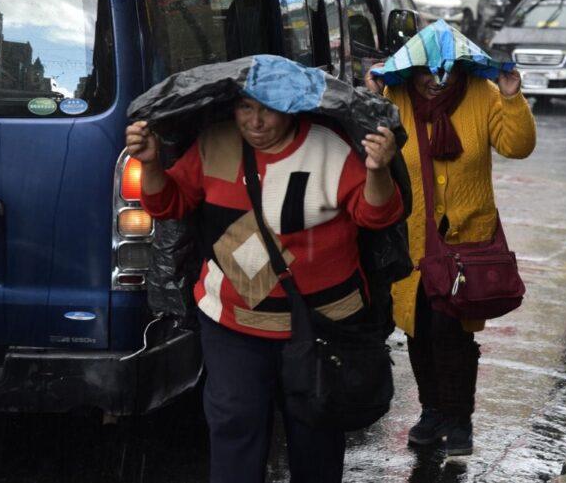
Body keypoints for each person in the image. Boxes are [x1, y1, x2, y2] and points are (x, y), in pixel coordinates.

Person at [125, 95, 403, 483]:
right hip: (232, 323)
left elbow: (377, 215)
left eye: (267, 109)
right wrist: (151, 163)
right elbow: (169, 203)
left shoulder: (331, 147)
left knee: (317, 431)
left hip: (323, 325)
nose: (254, 122)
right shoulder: (214, 143)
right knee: (235, 426)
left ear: (293, 107)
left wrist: (377, 171)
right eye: (244, 108)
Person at [365, 61, 536, 455]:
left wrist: (511, 97)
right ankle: (432, 411)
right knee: (418, 329)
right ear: (409, 71)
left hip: (466, 242)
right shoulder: (396, 98)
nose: (433, 80)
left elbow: (518, 146)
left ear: (459, 70)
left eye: (442, 72)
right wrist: (371, 99)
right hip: (413, 241)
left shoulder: (482, 94)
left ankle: (459, 418)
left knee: (452, 330)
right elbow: (367, 149)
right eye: (424, 71)